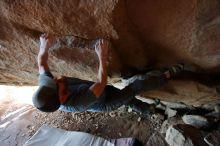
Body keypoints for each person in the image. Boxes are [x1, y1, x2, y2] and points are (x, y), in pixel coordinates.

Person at [32, 34, 184, 114]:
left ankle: (146, 109)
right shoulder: (78, 103)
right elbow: (101, 82)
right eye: (57, 85)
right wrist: (101, 56)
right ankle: (167, 76)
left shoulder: (48, 87)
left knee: (127, 98)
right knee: (134, 88)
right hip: (104, 102)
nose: (55, 80)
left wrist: (44, 47)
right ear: (62, 97)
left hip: (98, 91)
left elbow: (42, 63)